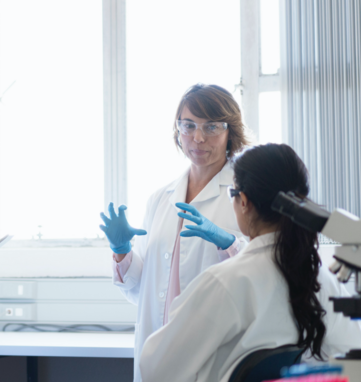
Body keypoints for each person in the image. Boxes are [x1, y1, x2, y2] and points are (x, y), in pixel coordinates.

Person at [140, 143, 361, 381]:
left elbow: (155, 368)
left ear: (244, 202)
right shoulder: (318, 277)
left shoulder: (223, 283)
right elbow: (355, 350)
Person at [99, 84, 250, 382]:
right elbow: (141, 290)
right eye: (188, 125)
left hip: (212, 350)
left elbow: (260, 274)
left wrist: (228, 244)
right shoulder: (160, 198)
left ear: (230, 132)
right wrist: (122, 251)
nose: (198, 137)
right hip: (158, 348)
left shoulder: (245, 194)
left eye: (211, 127)